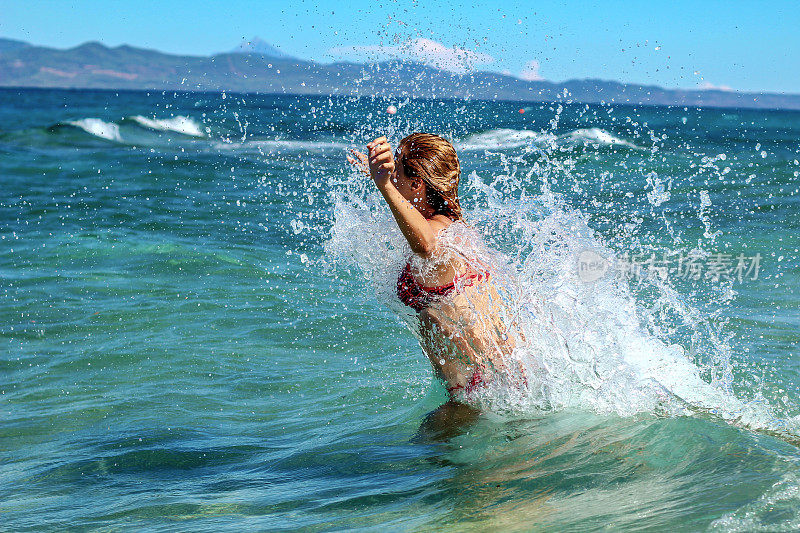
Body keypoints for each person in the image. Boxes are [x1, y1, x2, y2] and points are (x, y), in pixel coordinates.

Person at [348, 132, 523, 398]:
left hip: (485, 385)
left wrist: (384, 185)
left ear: (417, 184)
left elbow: (426, 246)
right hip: (500, 377)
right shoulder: (456, 227)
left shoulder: (439, 238)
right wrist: (379, 176)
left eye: (398, 172)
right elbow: (413, 220)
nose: (393, 177)